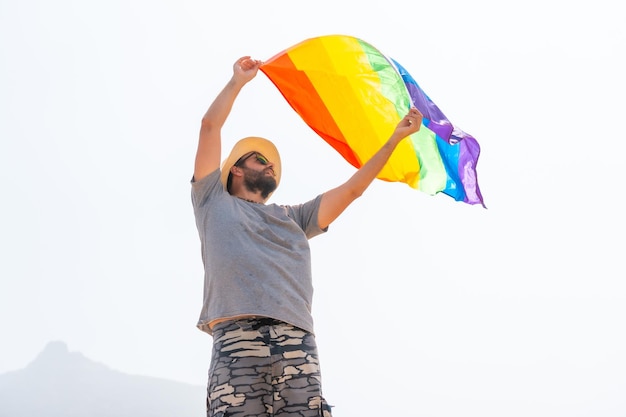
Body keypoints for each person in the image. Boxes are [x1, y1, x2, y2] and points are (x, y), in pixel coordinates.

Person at [191, 56, 423, 417]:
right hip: (238, 338)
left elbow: (351, 191)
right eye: (259, 159)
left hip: (297, 341)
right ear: (235, 168)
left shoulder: (294, 218)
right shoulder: (212, 201)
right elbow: (209, 127)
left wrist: (395, 138)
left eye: (271, 163)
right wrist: (237, 82)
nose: (270, 164)